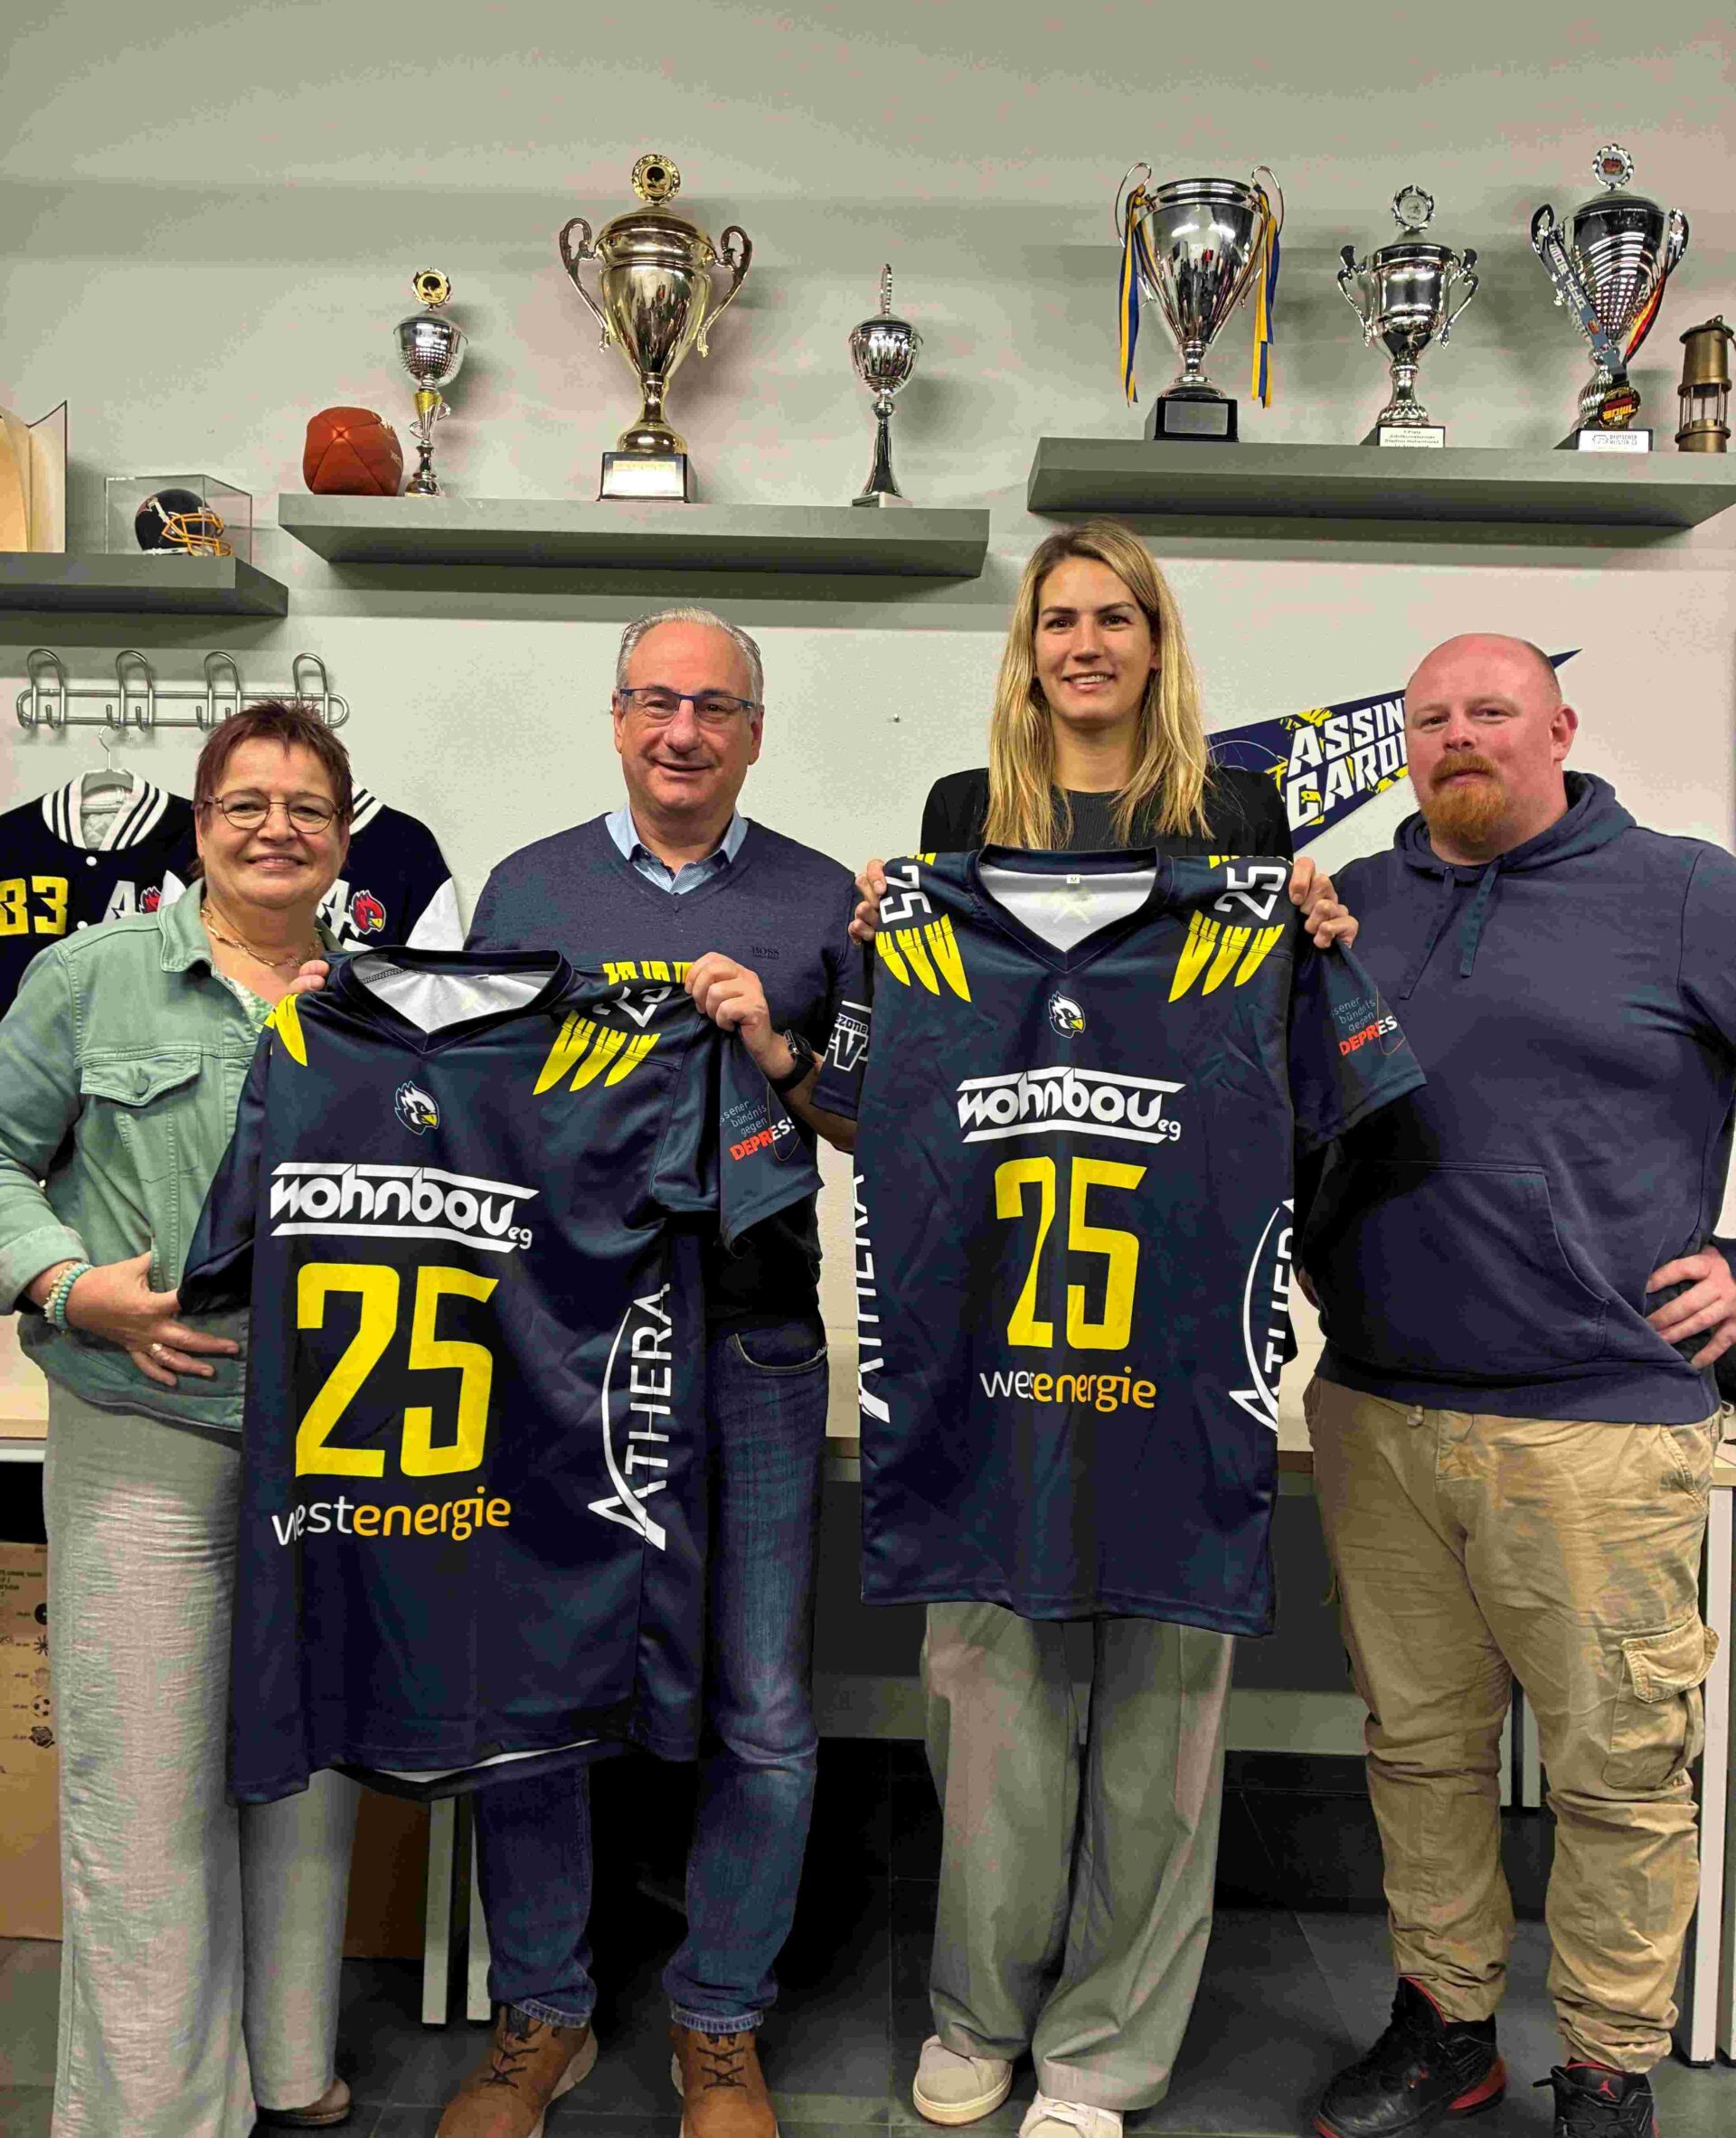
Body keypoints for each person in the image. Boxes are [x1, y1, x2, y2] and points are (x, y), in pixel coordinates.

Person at [852, 521, 1355, 2138]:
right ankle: (977, 2010)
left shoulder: (1237, 822)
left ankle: (1108, 2048)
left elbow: (1289, 1083)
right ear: (1030, 646)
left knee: (1162, 1711)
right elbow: (899, 1093)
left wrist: (1314, 930)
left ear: (1155, 641)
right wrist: (877, 950)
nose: (1085, 645)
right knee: (986, 1696)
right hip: (992, 1350)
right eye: (1058, 619)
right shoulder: (960, 818)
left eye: (1114, 618)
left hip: (1173, 1340)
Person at [1301, 635, 1736, 2138]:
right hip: (1378, 1409)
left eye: (1491, 711)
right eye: (1430, 719)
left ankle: (1610, 2066)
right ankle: (1447, 2027)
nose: (1459, 737)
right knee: (1419, 1754)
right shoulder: (1351, 905)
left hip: (1599, 1424)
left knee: (1618, 1774)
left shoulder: (1683, 892)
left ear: (1561, 726)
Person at [436, 607, 858, 2138]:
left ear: (756, 732)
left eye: (715, 708)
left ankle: (719, 2023)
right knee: (541, 1683)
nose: (685, 732)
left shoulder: (824, 900)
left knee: (764, 1704)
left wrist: (779, 1052)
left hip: (754, 1342)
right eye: (657, 702)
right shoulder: (524, 890)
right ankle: (542, 2011)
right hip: (562, 1347)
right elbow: (465, 1108)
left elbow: (877, 1117)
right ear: (616, 718)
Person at [0, 702, 363, 2138]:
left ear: (343, 836)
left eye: (308, 806)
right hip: (145, 1431)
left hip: (332, 1444)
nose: (277, 828)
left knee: (306, 1776)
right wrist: (66, 1283)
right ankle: (157, 2116)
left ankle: (290, 2068)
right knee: (147, 1799)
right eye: (246, 803)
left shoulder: (381, 998)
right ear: (200, 825)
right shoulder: (92, 980)